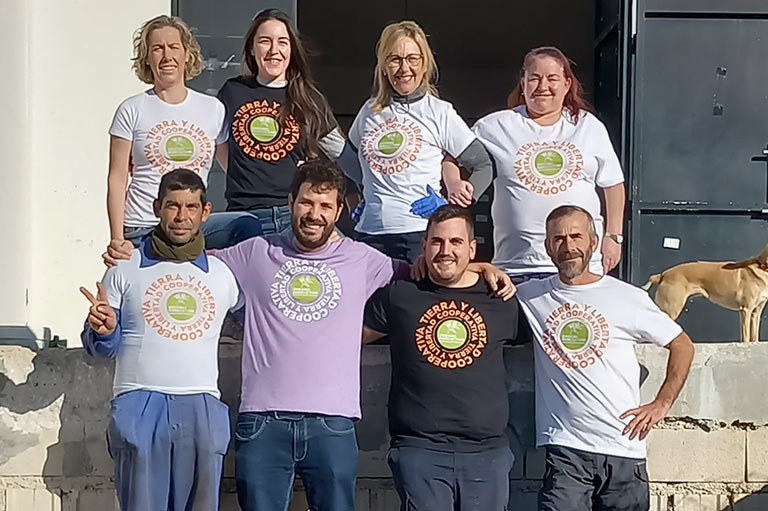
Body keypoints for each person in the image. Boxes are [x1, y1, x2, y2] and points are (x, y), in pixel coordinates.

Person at [208, 161, 512, 511]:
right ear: (291, 202)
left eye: (325, 206)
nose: (314, 214)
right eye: (307, 202)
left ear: (339, 211)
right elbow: (193, 264)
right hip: (263, 420)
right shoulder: (255, 252)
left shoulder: (364, 260)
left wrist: (480, 266)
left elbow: (436, 271)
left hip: (333, 423)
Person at [515, 205, 695, 511]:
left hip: (624, 450)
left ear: (593, 242)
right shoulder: (531, 296)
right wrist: (484, 268)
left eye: (576, 236)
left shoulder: (628, 298)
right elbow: (476, 283)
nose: (568, 246)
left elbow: (682, 345)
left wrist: (661, 404)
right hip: (566, 451)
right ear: (547, 247)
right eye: (558, 239)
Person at [80, 169, 240, 511]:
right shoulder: (124, 268)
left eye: (191, 207)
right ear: (157, 207)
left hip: (202, 406)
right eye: (172, 206)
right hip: (140, 403)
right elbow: (102, 347)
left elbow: (264, 324)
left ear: (205, 212)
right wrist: (103, 330)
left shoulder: (224, 275)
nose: (181, 217)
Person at [363, 205, 526, 511]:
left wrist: (483, 269)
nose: (445, 251)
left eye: (456, 242)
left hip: (486, 453)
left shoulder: (500, 299)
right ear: (423, 246)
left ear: (472, 249)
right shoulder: (400, 295)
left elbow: (551, 338)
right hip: (420, 450)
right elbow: (344, 338)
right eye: (436, 242)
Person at [468, 46, 626, 283]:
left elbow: (613, 184)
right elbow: (454, 152)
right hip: (516, 267)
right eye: (534, 78)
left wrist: (614, 237)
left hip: (580, 266)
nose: (542, 86)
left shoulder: (588, 126)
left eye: (552, 78)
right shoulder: (495, 127)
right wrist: (453, 186)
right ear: (523, 83)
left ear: (567, 84)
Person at [204, 8, 361, 242]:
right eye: (265, 41)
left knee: (342, 254)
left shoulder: (308, 98)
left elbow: (342, 154)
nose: (274, 50)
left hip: (293, 214)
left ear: (291, 50)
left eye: (282, 42)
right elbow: (219, 146)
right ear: (251, 48)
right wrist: (250, 171)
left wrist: (366, 187)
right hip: (244, 215)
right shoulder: (233, 91)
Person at [347, 20, 491, 262]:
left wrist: (449, 206)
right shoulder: (369, 111)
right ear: (384, 67)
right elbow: (347, 164)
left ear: (424, 65)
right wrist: (354, 202)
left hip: (417, 236)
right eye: (395, 59)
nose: (404, 68)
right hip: (369, 234)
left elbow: (484, 166)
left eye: (413, 59)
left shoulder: (439, 112)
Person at [106, 15, 249, 252]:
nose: (166, 56)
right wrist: (117, 239)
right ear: (147, 58)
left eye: (173, 47)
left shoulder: (212, 108)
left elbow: (233, 168)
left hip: (192, 228)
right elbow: (117, 178)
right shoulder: (131, 109)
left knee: (246, 226)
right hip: (143, 227)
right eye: (157, 49)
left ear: (187, 54)